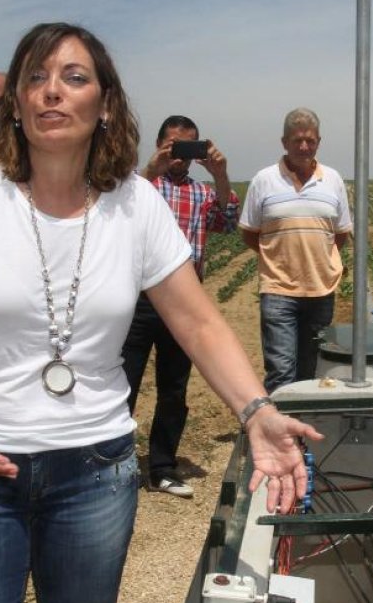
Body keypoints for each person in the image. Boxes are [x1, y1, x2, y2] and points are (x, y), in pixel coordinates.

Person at [0, 22, 320, 603]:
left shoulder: (136, 203)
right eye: (36, 78)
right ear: (17, 104)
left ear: (105, 104)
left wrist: (256, 411)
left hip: (94, 471)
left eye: (74, 77)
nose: (52, 90)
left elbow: (198, 322)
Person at [123, 115, 239, 498]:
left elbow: (228, 222)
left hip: (184, 302)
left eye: (188, 147)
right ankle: (114, 463)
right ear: (159, 145)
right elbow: (114, 211)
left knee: (174, 388)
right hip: (137, 298)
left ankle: (162, 467)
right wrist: (150, 169)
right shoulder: (139, 186)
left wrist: (220, 175)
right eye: (173, 146)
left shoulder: (202, 193)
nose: (180, 156)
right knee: (123, 384)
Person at [239, 107, 352, 393]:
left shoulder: (333, 180)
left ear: (318, 142)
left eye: (310, 140)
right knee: (281, 370)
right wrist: (279, 257)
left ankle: (303, 420)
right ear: (284, 142)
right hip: (278, 289)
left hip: (321, 290)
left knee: (312, 367)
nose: (304, 146)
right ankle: (279, 421)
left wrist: (320, 258)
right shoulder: (264, 180)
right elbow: (250, 233)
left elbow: (340, 233)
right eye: (297, 140)